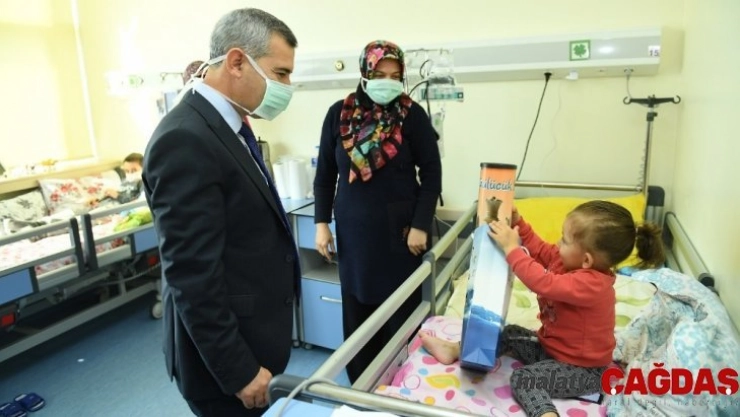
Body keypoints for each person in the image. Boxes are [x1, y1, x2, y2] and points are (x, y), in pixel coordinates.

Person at [142, 8, 299, 417]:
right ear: (236, 62)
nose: (286, 87)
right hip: (225, 366)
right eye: (280, 74)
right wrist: (239, 371)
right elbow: (191, 274)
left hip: (254, 333)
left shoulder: (228, 126)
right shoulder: (185, 138)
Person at [420, 200, 665, 417]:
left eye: (564, 240)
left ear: (586, 260)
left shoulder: (592, 285)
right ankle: (455, 350)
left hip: (583, 371)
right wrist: (519, 223)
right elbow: (541, 250)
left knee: (524, 380)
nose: (558, 243)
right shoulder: (568, 260)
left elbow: (543, 282)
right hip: (554, 352)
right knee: (509, 333)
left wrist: (512, 249)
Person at [313, 40, 442, 383]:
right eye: (380, 74)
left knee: (401, 313)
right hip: (354, 234)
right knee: (358, 313)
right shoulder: (338, 115)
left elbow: (432, 174)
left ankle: (403, 386)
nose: (388, 81)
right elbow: (325, 175)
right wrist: (321, 223)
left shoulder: (412, 116)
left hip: (402, 234)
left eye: (395, 76)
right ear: (364, 73)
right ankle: (360, 387)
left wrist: (420, 225)